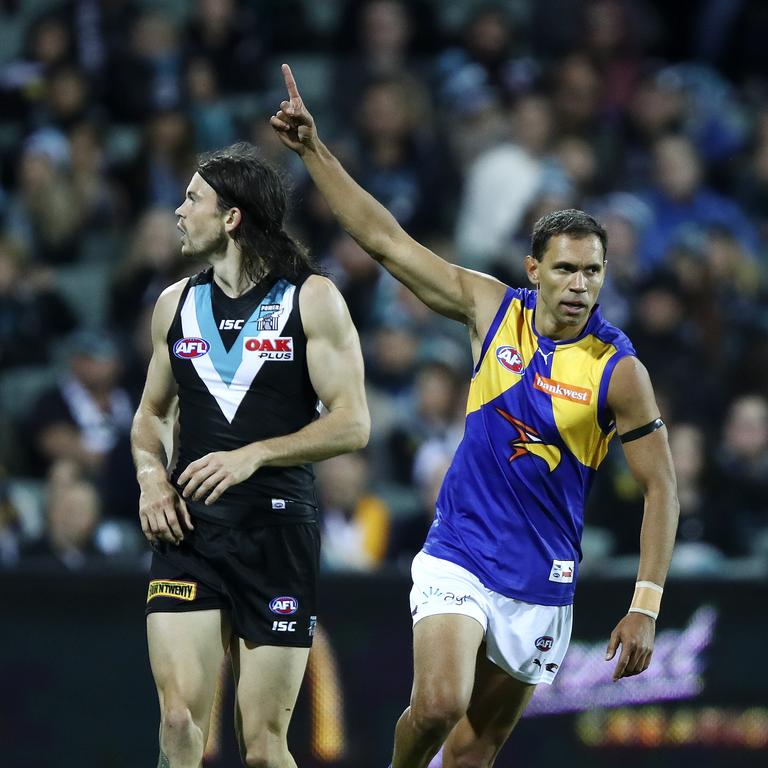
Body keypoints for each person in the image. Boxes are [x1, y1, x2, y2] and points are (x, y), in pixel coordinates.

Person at [271, 65, 679, 768]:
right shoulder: (492, 311)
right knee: (437, 704)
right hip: (460, 549)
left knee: (471, 753)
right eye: (565, 270)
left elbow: (662, 489)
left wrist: (646, 602)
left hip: (542, 577)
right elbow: (387, 241)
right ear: (533, 270)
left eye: (593, 272)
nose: (580, 285)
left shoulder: (621, 374)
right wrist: (315, 153)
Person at [130, 141, 369, 768]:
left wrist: (256, 454)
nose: (179, 212)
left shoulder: (311, 299)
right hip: (193, 533)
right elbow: (151, 416)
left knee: (263, 749)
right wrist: (152, 480)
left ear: (231, 217)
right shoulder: (174, 304)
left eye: (192, 199)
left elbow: (352, 423)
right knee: (180, 719)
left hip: (278, 533)